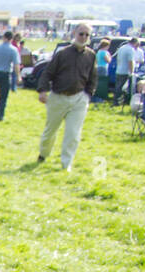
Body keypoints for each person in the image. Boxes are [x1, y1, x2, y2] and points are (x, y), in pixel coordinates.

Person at [37, 22, 96, 171]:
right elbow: (48, 73)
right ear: (74, 34)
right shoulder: (62, 54)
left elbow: (93, 77)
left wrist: (88, 95)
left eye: (87, 35)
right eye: (81, 34)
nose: (83, 37)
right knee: (50, 131)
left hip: (79, 99)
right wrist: (43, 91)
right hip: (58, 97)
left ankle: (66, 163)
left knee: (73, 134)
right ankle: (43, 154)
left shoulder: (91, 55)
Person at [113, 38, 142, 107]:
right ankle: (121, 101)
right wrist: (131, 72)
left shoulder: (122, 48)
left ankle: (117, 101)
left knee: (118, 87)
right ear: (135, 43)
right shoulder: (130, 50)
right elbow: (130, 61)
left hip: (119, 70)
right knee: (124, 88)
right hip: (126, 71)